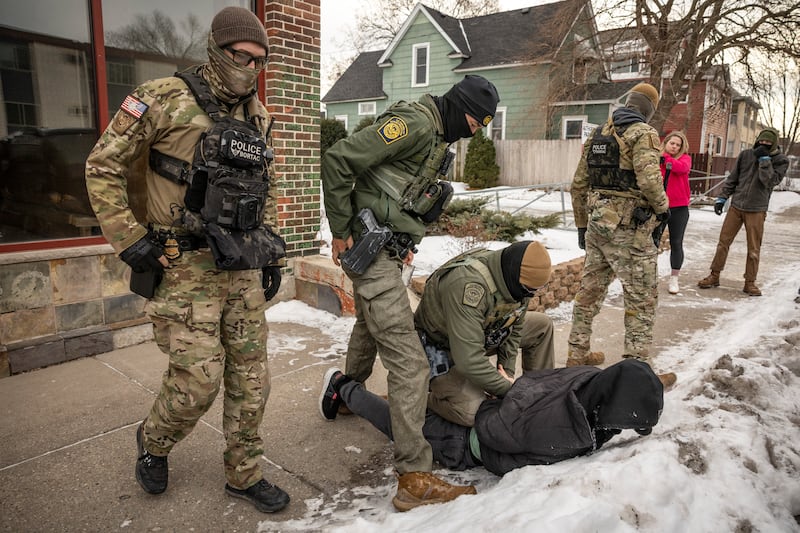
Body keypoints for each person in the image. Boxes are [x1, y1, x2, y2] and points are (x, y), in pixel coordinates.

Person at [85, 7, 289, 513]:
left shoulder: (257, 115)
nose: (248, 67)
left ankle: (244, 474)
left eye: (258, 60)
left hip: (239, 265)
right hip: (183, 266)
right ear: (215, 48)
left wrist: (270, 253)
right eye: (239, 55)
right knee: (197, 382)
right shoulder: (160, 98)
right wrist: (129, 239)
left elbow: (264, 189)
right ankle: (153, 442)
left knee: (251, 378)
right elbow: (102, 166)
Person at [320, 74, 500, 511]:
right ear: (459, 108)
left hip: (389, 250)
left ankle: (343, 392)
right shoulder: (415, 124)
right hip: (368, 247)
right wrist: (341, 229)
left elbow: (401, 194)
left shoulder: (437, 136)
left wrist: (407, 238)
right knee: (410, 362)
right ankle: (414, 476)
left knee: (370, 324)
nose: (475, 132)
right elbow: (339, 159)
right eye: (475, 122)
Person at [320, 358, 663, 477]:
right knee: (397, 423)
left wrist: (509, 393)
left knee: (413, 404)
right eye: (625, 421)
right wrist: (496, 404)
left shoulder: (590, 378)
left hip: (490, 404)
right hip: (462, 442)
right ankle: (342, 386)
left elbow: (538, 381)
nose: (621, 430)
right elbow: (497, 439)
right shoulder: (567, 430)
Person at [568, 82, 675, 387]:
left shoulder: (598, 134)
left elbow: (578, 185)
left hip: (597, 228)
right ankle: (636, 375)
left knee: (588, 294)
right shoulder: (643, 134)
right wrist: (664, 209)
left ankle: (576, 355)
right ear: (648, 109)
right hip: (631, 231)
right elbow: (650, 181)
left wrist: (581, 225)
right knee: (641, 301)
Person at [414, 241, 555, 427]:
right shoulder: (468, 286)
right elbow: (469, 360)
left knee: (541, 326)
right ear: (515, 276)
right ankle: (422, 400)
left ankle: (538, 396)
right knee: (473, 411)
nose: (532, 295)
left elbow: (514, 326)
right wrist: (509, 390)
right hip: (441, 348)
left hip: (480, 334)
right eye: (530, 290)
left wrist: (506, 375)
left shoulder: (517, 283)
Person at [697, 128, 789, 296]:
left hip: (757, 210)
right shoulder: (746, 155)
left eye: (768, 143)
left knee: (753, 248)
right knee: (723, 243)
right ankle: (714, 275)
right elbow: (733, 178)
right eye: (762, 141)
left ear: (774, 144)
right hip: (736, 206)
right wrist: (722, 198)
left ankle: (750, 282)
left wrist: (765, 160)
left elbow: (769, 181)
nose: (764, 144)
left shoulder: (781, 161)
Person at [659, 131, 692, 295]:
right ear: (666, 142)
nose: (675, 146)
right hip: (659, 207)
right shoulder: (657, 159)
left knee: (676, 243)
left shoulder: (684, 159)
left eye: (678, 145)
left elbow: (681, 169)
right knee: (652, 242)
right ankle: (648, 276)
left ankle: (674, 278)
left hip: (679, 208)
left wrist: (666, 160)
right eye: (672, 143)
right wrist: (662, 159)